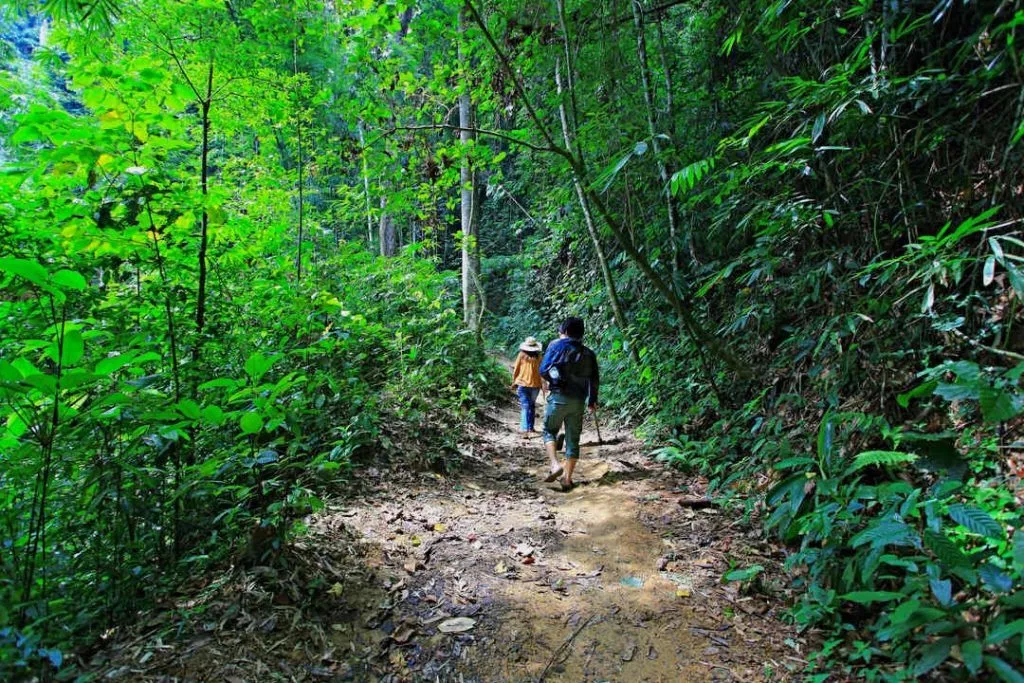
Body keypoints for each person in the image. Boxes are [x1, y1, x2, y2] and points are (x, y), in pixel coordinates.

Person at [539, 317, 599, 491]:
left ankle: (555, 465)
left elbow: (543, 369)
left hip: (558, 397)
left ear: (564, 331)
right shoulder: (588, 353)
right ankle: (567, 479)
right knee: (573, 440)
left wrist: (555, 379)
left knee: (549, 431)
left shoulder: (556, 346)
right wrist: (592, 400)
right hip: (579, 401)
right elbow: (593, 380)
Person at [510, 337, 544, 435]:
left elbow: (516, 369)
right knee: (531, 405)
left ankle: (525, 429)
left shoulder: (521, 355)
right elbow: (542, 371)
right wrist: (543, 383)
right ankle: (530, 428)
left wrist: (514, 381)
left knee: (525, 406)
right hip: (536, 385)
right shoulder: (539, 356)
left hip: (522, 384)